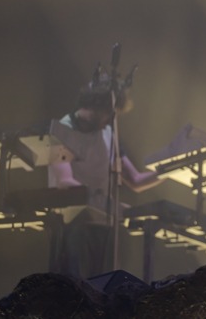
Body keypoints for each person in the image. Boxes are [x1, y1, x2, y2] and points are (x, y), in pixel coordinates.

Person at [48, 73, 161, 278]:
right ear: (97, 106)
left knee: (105, 285)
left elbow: (135, 180)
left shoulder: (109, 133)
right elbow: (65, 182)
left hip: (105, 227)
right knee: (77, 285)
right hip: (73, 227)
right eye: (110, 113)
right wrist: (107, 204)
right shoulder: (60, 130)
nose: (111, 119)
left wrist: (169, 170)